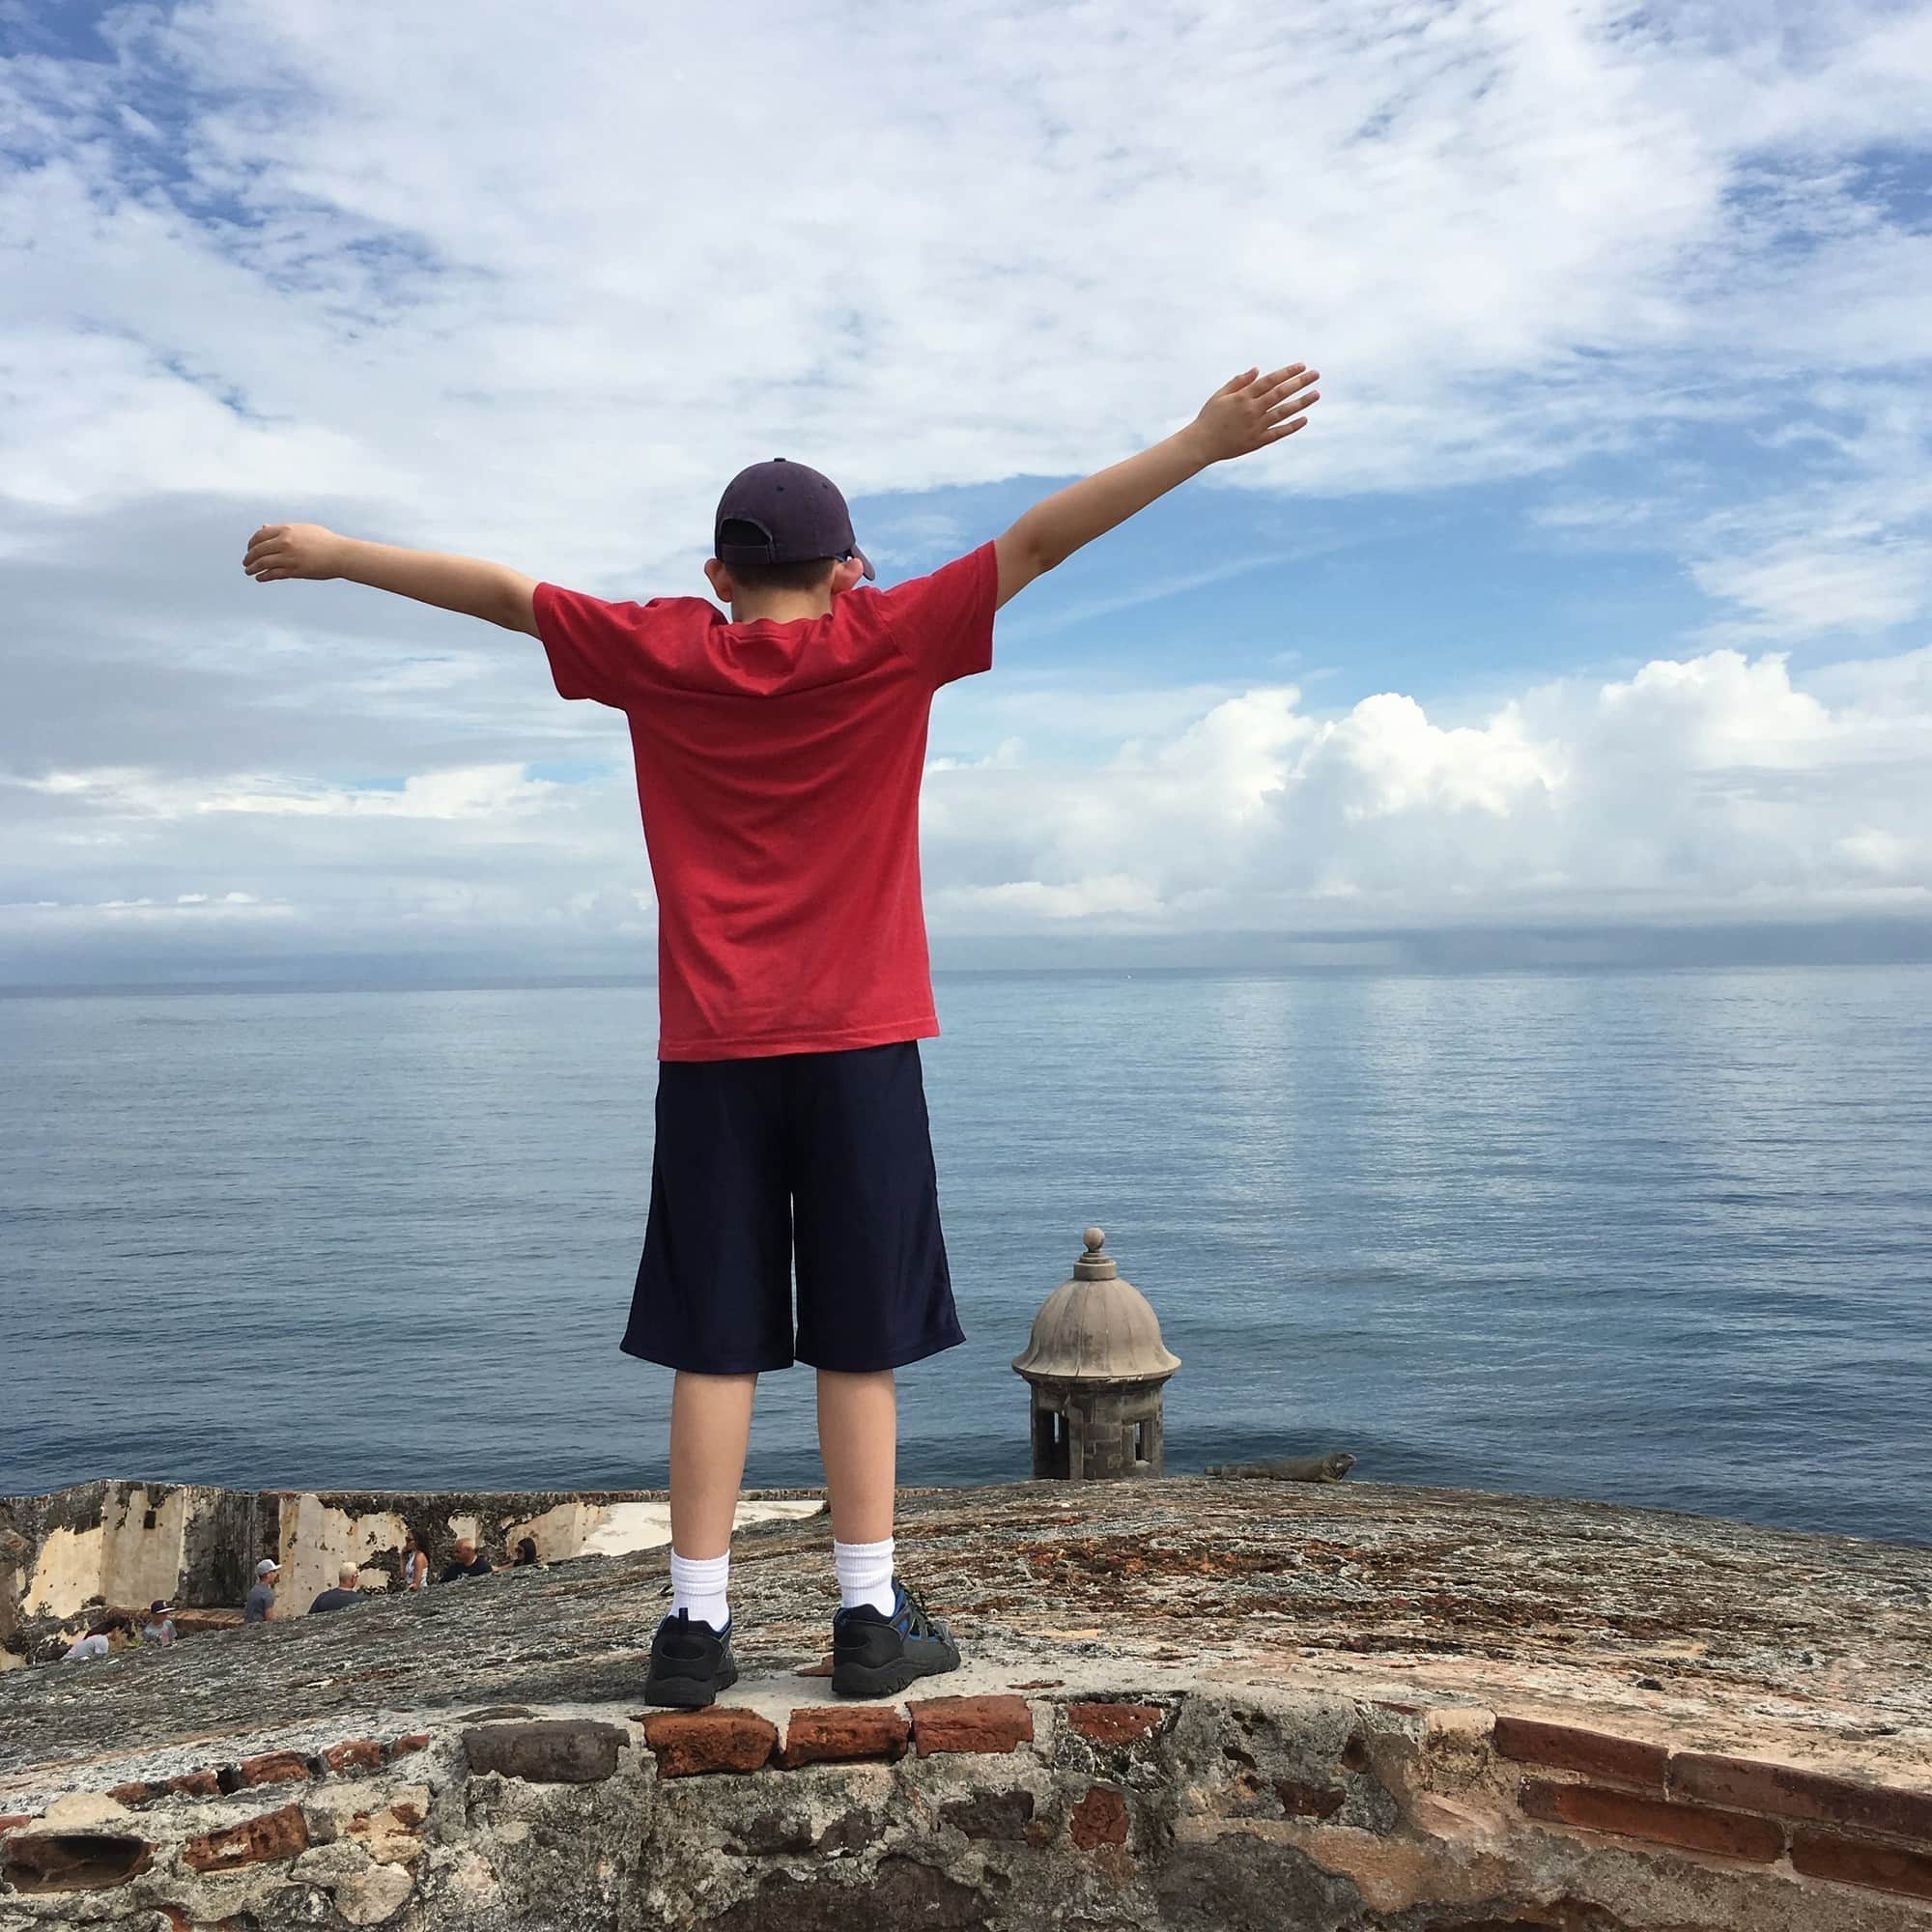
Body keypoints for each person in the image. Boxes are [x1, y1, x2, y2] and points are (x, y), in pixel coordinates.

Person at [242, 361, 1321, 1707]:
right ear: (850, 568)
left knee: (718, 1341)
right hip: (861, 1047)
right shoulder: (890, 639)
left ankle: (694, 1632)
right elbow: (1041, 537)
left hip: (711, 1055)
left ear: (715, 575)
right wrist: (1202, 442)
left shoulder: (662, 649)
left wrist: (339, 556)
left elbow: (510, 597)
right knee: (855, 1342)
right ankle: (867, 1617)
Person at [243, 1557, 280, 1623]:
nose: (275, 1574)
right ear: (268, 1574)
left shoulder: (253, 1590)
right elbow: (269, 1620)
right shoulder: (267, 1594)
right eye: (274, 1571)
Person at [399, 1530, 430, 1594]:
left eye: (409, 1540)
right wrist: (402, 1557)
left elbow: (416, 1584)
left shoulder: (419, 1557)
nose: (406, 1542)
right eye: (406, 1539)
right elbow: (403, 1575)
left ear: (416, 1542)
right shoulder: (412, 1556)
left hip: (419, 1592)